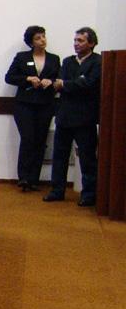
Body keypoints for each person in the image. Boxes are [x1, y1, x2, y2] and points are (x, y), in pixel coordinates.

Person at [44, 27, 102, 206]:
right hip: (64, 116)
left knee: (87, 158)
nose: (76, 44)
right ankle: (57, 190)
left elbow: (89, 84)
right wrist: (72, 84)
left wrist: (66, 85)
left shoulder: (98, 61)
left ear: (91, 43)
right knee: (59, 156)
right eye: (75, 40)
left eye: (80, 41)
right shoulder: (68, 61)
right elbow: (59, 82)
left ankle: (89, 194)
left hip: (85, 118)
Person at [4, 26, 60, 191]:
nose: (42, 40)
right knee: (28, 138)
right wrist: (28, 79)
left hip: (45, 104)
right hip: (25, 104)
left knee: (40, 140)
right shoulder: (22, 57)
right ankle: (24, 177)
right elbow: (9, 77)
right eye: (38, 38)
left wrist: (50, 81)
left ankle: (34, 179)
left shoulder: (54, 58)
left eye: (43, 36)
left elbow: (59, 77)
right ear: (31, 42)